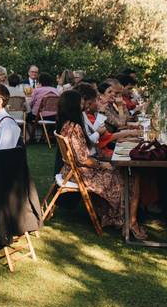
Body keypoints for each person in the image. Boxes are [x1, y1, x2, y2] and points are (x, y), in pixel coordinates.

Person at [56, 90, 145, 238]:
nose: (83, 105)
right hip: (80, 173)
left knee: (120, 171)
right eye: (80, 103)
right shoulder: (74, 128)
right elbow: (83, 159)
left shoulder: (67, 125)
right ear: (74, 106)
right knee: (126, 176)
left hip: (72, 170)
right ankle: (123, 220)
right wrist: (102, 165)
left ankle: (120, 217)